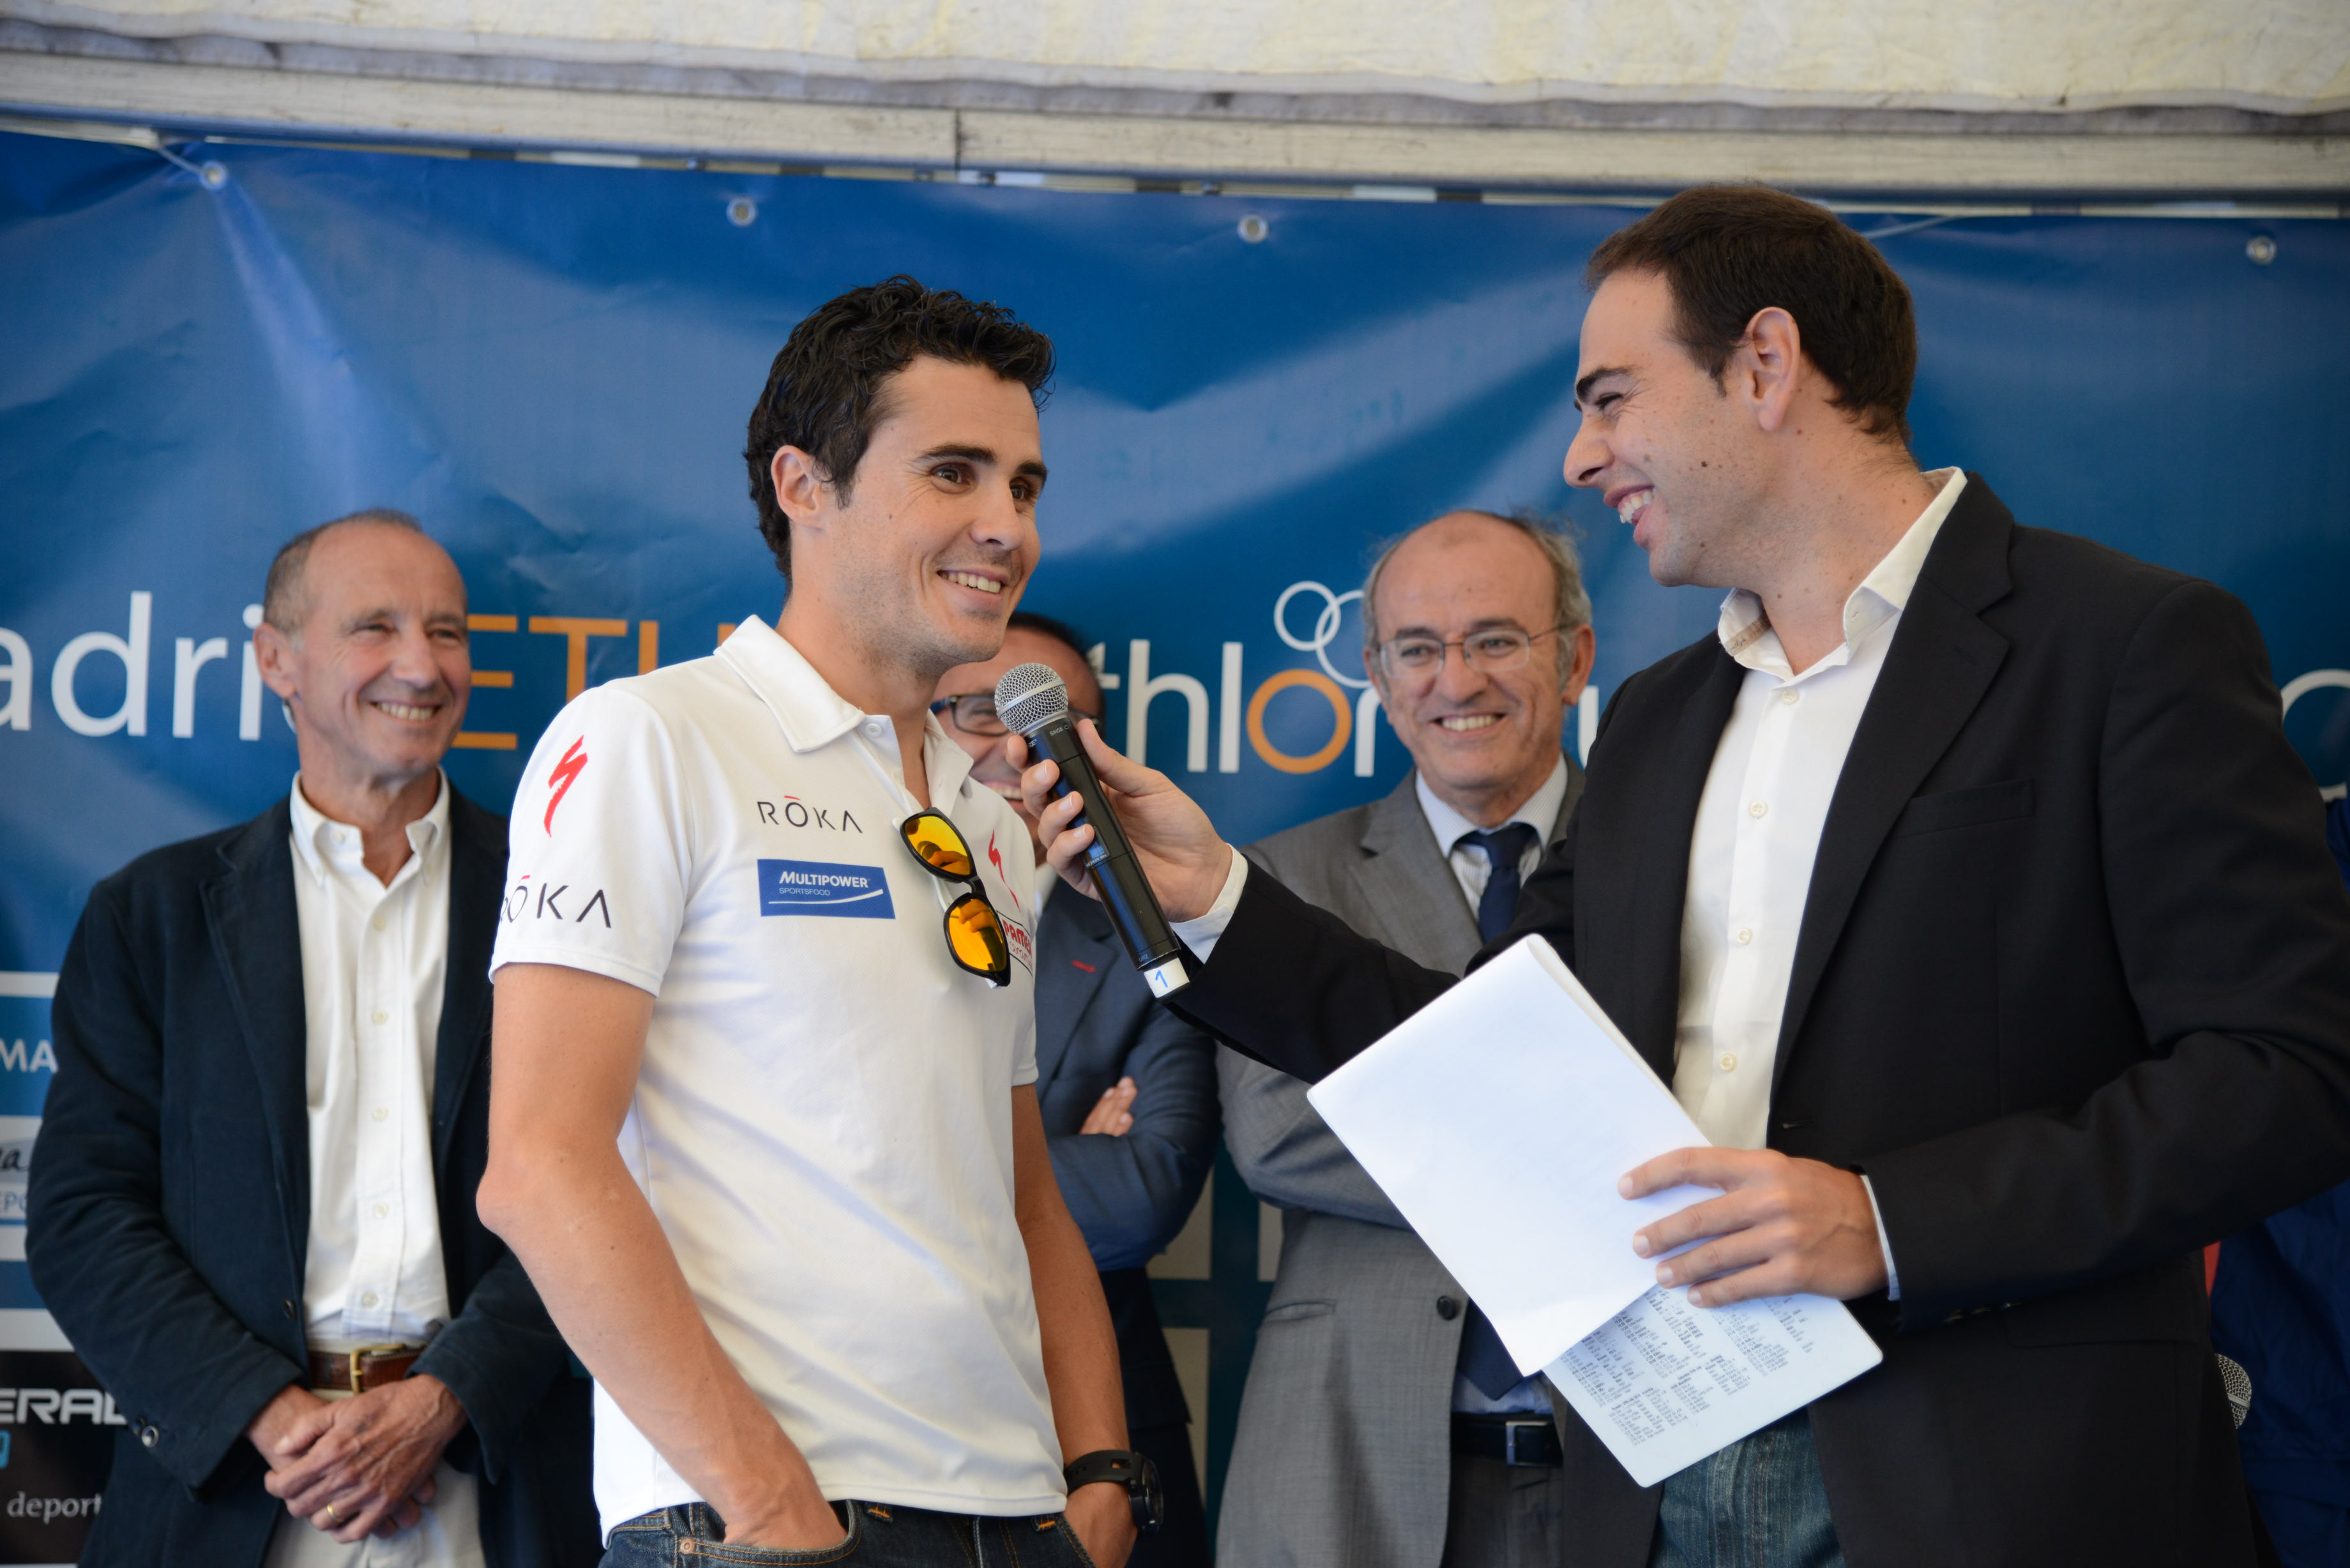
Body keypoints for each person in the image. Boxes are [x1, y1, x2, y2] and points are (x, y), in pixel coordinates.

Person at [1020, 186, 2350, 1568]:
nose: (1581, 455)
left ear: (1765, 365)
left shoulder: (2125, 644)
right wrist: (1214, 896)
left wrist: (1890, 1223)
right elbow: (1488, 1047)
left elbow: (2290, 1076)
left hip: (1998, 1483)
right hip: (1658, 1483)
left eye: (1611, 398)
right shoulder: (1661, 718)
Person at [475, 277, 1142, 1568]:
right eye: (953, 472)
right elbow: (541, 1167)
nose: (1004, 525)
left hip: (1017, 1517)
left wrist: (1099, 1473)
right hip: (774, 1522)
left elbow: (1022, 1194)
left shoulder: (991, 814)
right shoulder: (650, 737)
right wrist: (767, 1501)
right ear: (803, 485)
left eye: (1024, 485)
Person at [29, 510, 598, 1568]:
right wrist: (271, 1417)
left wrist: (447, 1398)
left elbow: (617, 1182)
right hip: (236, 1490)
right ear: (276, 661)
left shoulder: (562, 901)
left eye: (447, 631)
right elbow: (82, 1214)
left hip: (494, 1489)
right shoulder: (152, 917)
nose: (421, 666)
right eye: (374, 628)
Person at [1215, 511, 1596, 1568]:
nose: (1456, 680)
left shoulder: (1672, 855)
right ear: (1379, 678)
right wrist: (1594, 1162)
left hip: (1630, 1458)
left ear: (1575, 659)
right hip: (1351, 1450)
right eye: (1418, 650)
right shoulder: (1282, 877)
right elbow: (1282, 1136)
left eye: (1496, 639)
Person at [929, 608, 1219, 1567]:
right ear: (920, 724)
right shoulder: (847, 906)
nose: (1016, 754)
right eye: (981, 712)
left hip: (1107, 1441)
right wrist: (1063, 1156)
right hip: (886, 1426)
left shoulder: (1149, 935)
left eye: (1051, 726)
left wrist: (924, 1171)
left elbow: (1143, 1193)